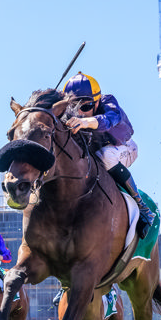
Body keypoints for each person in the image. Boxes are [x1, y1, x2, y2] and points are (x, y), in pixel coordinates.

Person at [63, 72, 155, 239]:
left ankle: (143, 208)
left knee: (105, 155)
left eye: (85, 107)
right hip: (96, 155)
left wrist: (85, 123)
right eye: (74, 108)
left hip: (123, 147)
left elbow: (109, 119)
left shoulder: (109, 102)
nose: (81, 114)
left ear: (97, 101)